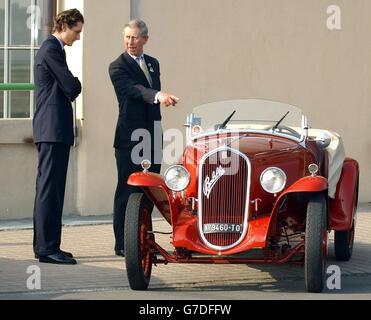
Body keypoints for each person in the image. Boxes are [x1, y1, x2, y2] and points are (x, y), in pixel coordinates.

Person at [109, 19, 179, 257]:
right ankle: (123, 242)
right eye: (127, 37)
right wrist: (158, 95)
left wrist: (159, 99)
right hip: (130, 138)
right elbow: (135, 90)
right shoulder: (117, 66)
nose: (131, 42)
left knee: (150, 190)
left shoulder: (152, 63)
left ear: (145, 39)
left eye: (135, 37)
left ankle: (143, 240)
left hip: (152, 135)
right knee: (127, 191)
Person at [32, 8, 84, 265]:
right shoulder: (51, 49)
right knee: (49, 191)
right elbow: (71, 86)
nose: (78, 37)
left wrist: (72, 85)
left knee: (51, 190)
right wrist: (76, 84)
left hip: (54, 130)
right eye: (76, 31)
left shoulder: (54, 49)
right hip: (52, 129)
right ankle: (47, 248)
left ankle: (49, 245)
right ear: (64, 25)